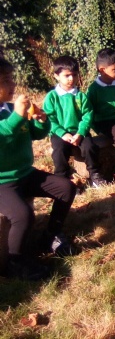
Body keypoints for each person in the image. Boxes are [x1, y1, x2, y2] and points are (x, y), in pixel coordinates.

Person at [0, 58, 77, 280]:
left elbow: (34, 134)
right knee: (23, 215)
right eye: (6, 80)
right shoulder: (14, 112)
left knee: (66, 188)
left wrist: (41, 121)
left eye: (12, 79)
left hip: (25, 173)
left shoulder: (10, 109)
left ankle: (51, 234)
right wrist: (17, 116)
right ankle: (14, 261)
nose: (13, 84)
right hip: (3, 182)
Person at [43, 56, 107, 188]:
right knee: (59, 151)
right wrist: (62, 133)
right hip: (59, 133)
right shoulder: (52, 97)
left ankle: (95, 175)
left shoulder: (81, 96)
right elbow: (49, 119)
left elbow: (87, 115)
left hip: (79, 132)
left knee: (89, 147)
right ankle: (63, 180)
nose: (71, 79)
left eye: (74, 75)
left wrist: (80, 132)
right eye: (67, 75)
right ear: (56, 76)